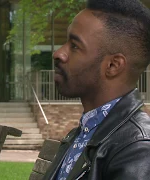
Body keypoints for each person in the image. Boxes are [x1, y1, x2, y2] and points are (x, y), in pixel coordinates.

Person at [44, 0, 150, 179]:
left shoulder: (137, 150)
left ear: (113, 65)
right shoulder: (85, 131)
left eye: (75, 46)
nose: (59, 53)